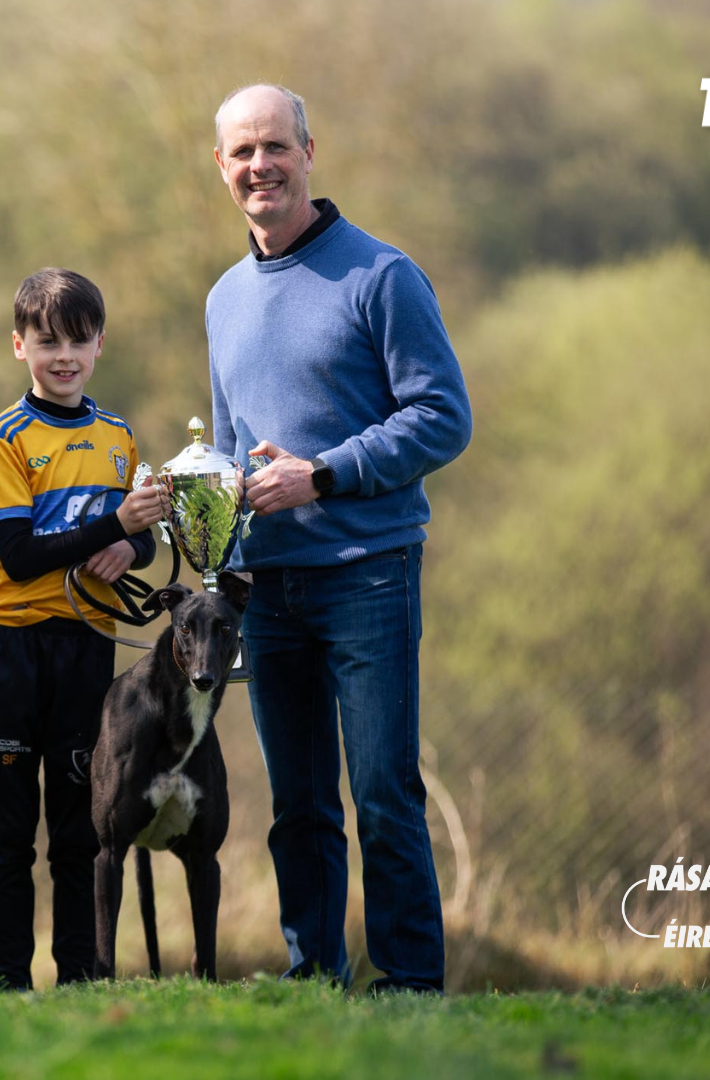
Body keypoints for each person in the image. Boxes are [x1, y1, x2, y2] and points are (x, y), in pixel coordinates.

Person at [205, 85, 472, 993]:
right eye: (242, 152)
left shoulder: (382, 275)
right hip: (267, 586)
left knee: (384, 798)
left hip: (368, 575)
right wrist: (199, 506)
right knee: (300, 808)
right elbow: (233, 450)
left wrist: (321, 473)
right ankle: (312, 973)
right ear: (221, 167)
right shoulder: (224, 299)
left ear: (310, 150)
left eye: (275, 147)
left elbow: (443, 417)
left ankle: (408, 983)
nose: (259, 167)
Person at [0, 268, 167, 990]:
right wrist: (111, 526)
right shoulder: (5, 436)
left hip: (89, 650)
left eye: (78, 342)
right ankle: (12, 984)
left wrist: (134, 543)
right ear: (18, 345)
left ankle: (79, 979)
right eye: (46, 341)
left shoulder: (118, 436)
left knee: (80, 830)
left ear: (99, 345)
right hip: (14, 649)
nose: (64, 356)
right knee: (9, 835)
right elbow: (20, 557)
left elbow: (141, 539)